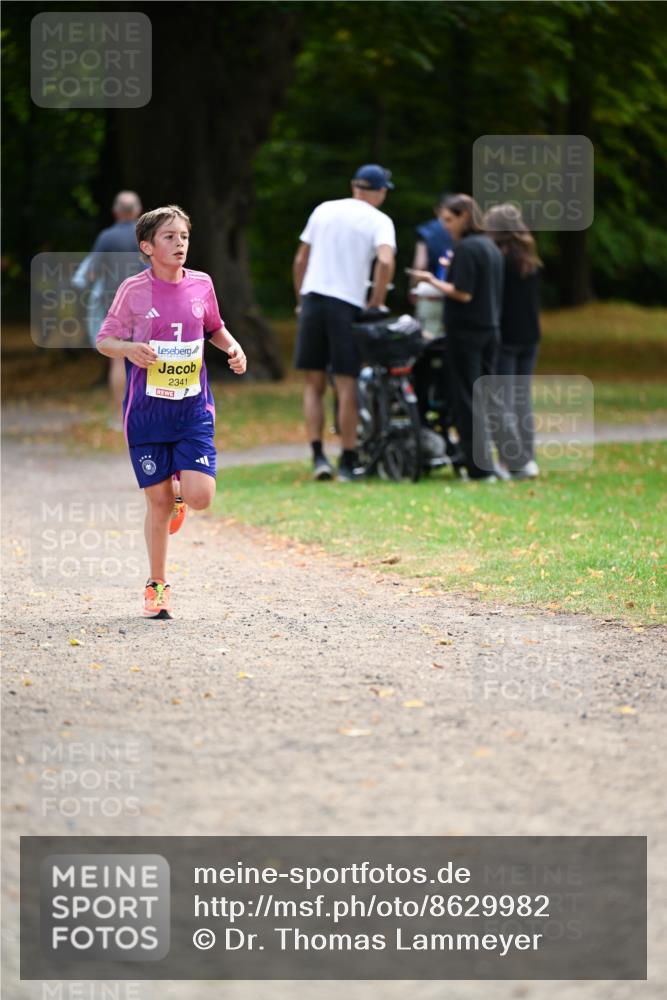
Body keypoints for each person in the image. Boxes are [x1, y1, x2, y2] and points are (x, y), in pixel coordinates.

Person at [96, 205, 247, 619]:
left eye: (183, 236)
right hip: (146, 413)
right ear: (147, 246)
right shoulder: (134, 290)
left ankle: (181, 493)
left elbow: (214, 328)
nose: (179, 243)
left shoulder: (201, 284)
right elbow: (105, 340)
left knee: (199, 497)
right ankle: (157, 586)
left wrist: (233, 348)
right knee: (157, 504)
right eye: (169, 237)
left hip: (192, 409)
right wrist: (130, 349)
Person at [292, 163, 396, 482]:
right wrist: (376, 301)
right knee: (347, 381)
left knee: (314, 383)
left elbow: (300, 260)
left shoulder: (324, 210)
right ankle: (349, 458)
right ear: (378, 192)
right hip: (346, 304)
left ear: (355, 186)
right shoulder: (380, 220)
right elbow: (386, 260)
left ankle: (318, 456)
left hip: (313, 300)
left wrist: (300, 301)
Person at [408, 193, 503, 481]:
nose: (445, 227)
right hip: (490, 329)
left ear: (464, 216)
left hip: (466, 333)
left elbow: (462, 292)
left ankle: (478, 466)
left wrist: (431, 281)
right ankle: (487, 460)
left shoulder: (466, 249)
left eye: (449, 220)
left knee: (465, 398)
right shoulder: (490, 247)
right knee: (483, 397)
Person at [72, 191, 145, 429]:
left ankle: (118, 417)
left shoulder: (106, 237)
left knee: (119, 361)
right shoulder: (146, 235)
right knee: (148, 357)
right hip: (146, 304)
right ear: (137, 211)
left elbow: (91, 273)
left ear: (116, 212)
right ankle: (146, 416)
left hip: (113, 304)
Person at [483, 204, 542, 478]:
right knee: (521, 400)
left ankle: (512, 460)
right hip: (529, 335)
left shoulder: (497, 260)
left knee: (501, 401)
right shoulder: (530, 259)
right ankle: (526, 457)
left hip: (506, 336)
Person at [409, 194, 454, 337]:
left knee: (428, 340)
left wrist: (414, 288)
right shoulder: (467, 232)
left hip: (431, 294)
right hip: (457, 297)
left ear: (437, 210)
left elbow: (420, 264)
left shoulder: (427, 230)